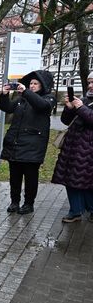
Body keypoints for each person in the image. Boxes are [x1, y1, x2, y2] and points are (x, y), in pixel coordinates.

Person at [0, 70, 56, 215]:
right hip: (16, 144)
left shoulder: (48, 98)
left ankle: (28, 203)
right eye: (30, 83)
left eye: (35, 83)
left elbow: (41, 106)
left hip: (33, 146)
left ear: (43, 85)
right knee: (15, 177)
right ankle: (14, 202)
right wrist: (4, 95)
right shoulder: (22, 99)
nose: (31, 86)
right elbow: (6, 108)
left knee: (31, 177)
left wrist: (26, 93)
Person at [52, 72, 93, 222]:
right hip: (73, 147)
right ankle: (75, 211)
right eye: (89, 82)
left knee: (87, 182)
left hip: (88, 149)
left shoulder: (83, 103)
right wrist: (69, 108)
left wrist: (81, 108)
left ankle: (90, 209)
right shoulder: (84, 99)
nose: (90, 85)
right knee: (72, 179)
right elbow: (65, 121)